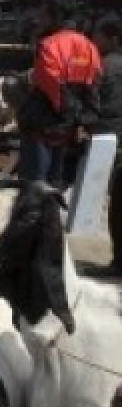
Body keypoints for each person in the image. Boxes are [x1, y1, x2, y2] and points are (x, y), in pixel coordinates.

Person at [17, 0, 102, 187]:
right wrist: (78, 120)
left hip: (41, 127)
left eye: (44, 15)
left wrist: (67, 114)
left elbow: (53, 87)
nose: (40, 20)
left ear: (55, 16)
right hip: (65, 132)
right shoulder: (90, 48)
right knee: (56, 183)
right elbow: (93, 88)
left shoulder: (48, 46)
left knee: (33, 186)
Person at [92, 16, 122, 274]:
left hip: (108, 137)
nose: (94, 40)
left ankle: (118, 263)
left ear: (112, 38)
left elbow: (93, 99)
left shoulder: (104, 66)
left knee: (117, 201)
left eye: (98, 36)